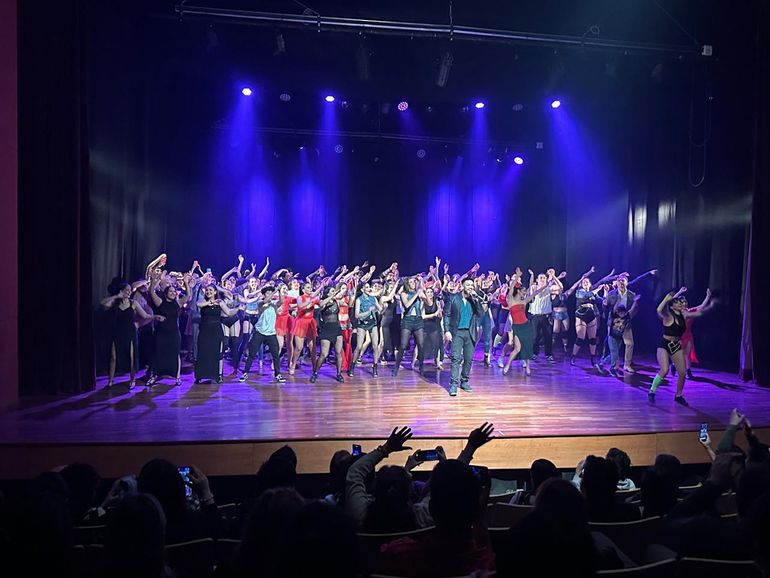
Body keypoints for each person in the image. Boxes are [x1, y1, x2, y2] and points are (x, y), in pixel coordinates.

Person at [101, 281, 163, 389]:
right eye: (126, 290)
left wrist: (155, 317)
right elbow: (103, 303)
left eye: (130, 290)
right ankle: (110, 381)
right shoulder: (115, 302)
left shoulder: (133, 303)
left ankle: (132, 380)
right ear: (121, 291)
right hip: (117, 332)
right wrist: (117, 296)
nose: (129, 292)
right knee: (113, 357)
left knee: (131, 357)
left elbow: (145, 315)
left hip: (130, 332)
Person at [502, 269, 559, 376]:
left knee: (527, 347)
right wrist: (517, 276)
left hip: (526, 326)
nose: (525, 293)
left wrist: (546, 284)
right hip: (517, 327)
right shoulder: (510, 299)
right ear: (518, 291)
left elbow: (537, 292)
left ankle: (528, 367)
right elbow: (511, 289)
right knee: (517, 349)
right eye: (523, 291)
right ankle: (508, 365)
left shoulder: (525, 301)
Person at [648, 287, 693, 405]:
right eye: (677, 302)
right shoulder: (668, 316)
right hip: (664, 344)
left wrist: (708, 300)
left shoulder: (682, 315)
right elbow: (659, 310)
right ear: (672, 306)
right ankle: (652, 391)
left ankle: (678, 395)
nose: (680, 304)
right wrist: (667, 298)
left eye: (680, 302)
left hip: (676, 345)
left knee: (682, 373)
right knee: (665, 370)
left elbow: (697, 310)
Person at [443, 278, 487, 396]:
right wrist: (447, 331)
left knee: (468, 359)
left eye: (472, 285)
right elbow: (446, 315)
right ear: (462, 286)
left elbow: (481, 314)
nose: (470, 287)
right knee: (456, 358)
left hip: (470, 332)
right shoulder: (453, 298)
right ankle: (453, 384)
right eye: (468, 285)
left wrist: (476, 300)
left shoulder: (474, 300)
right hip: (457, 332)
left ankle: (464, 381)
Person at [147, 272, 192, 387]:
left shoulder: (178, 303)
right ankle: (154, 375)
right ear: (166, 293)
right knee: (158, 353)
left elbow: (187, 296)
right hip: (161, 333)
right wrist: (153, 281)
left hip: (174, 333)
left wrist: (186, 283)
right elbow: (151, 292)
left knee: (175, 354)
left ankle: (177, 377)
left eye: (174, 291)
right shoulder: (160, 302)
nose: (172, 293)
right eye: (170, 291)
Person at [240, 285, 286, 383]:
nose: (270, 294)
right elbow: (265, 301)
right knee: (252, 354)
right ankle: (245, 373)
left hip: (271, 333)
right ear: (264, 294)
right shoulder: (260, 303)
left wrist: (280, 291)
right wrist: (275, 290)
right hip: (259, 332)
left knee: (275, 355)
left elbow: (281, 301)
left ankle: (277, 374)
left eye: (271, 292)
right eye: (268, 293)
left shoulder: (274, 304)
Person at [195, 284, 236, 383]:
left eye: (210, 290)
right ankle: (200, 375)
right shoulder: (203, 301)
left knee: (216, 352)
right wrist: (210, 302)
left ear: (215, 292)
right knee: (203, 352)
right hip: (205, 330)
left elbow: (229, 313)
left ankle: (218, 375)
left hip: (216, 330)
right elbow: (198, 304)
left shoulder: (220, 302)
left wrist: (239, 308)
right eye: (207, 290)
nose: (208, 292)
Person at [311, 285, 347, 383]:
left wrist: (352, 291)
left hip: (337, 329)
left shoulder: (337, 302)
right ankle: (315, 372)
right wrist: (332, 296)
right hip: (326, 329)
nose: (333, 292)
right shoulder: (322, 302)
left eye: (333, 291)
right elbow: (321, 304)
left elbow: (349, 304)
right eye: (331, 291)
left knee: (338, 352)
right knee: (324, 354)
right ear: (327, 293)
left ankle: (339, 374)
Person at [604, 274, 637, 373]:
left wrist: (628, 316)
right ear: (616, 283)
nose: (621, 283)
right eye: (619, 281)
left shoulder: (632, 295)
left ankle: (627, 364)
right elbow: (606, 307)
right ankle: (614, 365)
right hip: (613, 323)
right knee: (614, 346)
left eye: (623, 281)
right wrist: (605, 300)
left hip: (626, 323)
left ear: (627, 283)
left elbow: (635, 310)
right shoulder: (612, 294)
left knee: (629, 344)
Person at [394, 277, 426, 376]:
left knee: (421, 345)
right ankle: (396, 367)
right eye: (410, 282)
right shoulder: (404, 293)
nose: (413, 283)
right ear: (407, 284)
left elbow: (427, 301)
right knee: (403, 345)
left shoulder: (419, 292)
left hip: (418, 320)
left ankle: (421, 367)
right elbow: (407, 305)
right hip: (407, 320)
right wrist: (416, 294)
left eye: (414, 281)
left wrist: (421, 286)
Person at [598, 299, 639, 377]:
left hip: (619, 338)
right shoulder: (614, 315)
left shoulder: (627, 316)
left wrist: (634, 302)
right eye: (620, 313)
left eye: (623, 312)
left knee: (614, 354)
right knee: (614, 352)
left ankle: (601, 363)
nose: (622, 314)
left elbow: (632, 310)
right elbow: (614, 309)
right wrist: (618, 300)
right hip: (612, 337)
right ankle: (612, 368)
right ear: (618, 312)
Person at [349, 282, 383, 377]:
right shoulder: (359, 300)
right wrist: (368, 312)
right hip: (362, 324)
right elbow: (357, 315)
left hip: (373, 323)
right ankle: (352, 365)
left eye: (369, 287)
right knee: (359, 346)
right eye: (367, 287)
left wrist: (383, 308)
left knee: (375, 346)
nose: (369, 289)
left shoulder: (373, 299)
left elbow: (380, 310)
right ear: (362, 289)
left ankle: (375, 366)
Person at [289, 282, 320, 375]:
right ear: (303, 290)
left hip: (310, 322)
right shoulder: (300, 298)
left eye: (311, 287)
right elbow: (301, 306)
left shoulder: (312, 297)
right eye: (308, 287)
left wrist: (322, 285)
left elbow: (317, 294)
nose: (310, 289)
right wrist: (311, 301)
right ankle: (293, 364)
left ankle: (314, 367)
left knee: (312, 347)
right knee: (299, 347)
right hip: (301, 323)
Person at [528, 271, 555, 362]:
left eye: (544, 278)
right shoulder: (534, 287)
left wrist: (554, 277)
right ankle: (534, 353)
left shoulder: (549, 288)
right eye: (541, 278)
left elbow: (560, 288)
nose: (543, 279)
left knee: (548, 336)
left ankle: (548, 355)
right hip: (535, 315)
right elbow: (537, 293)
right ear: (537, 280)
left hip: (546, 316)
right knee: (535, 336)